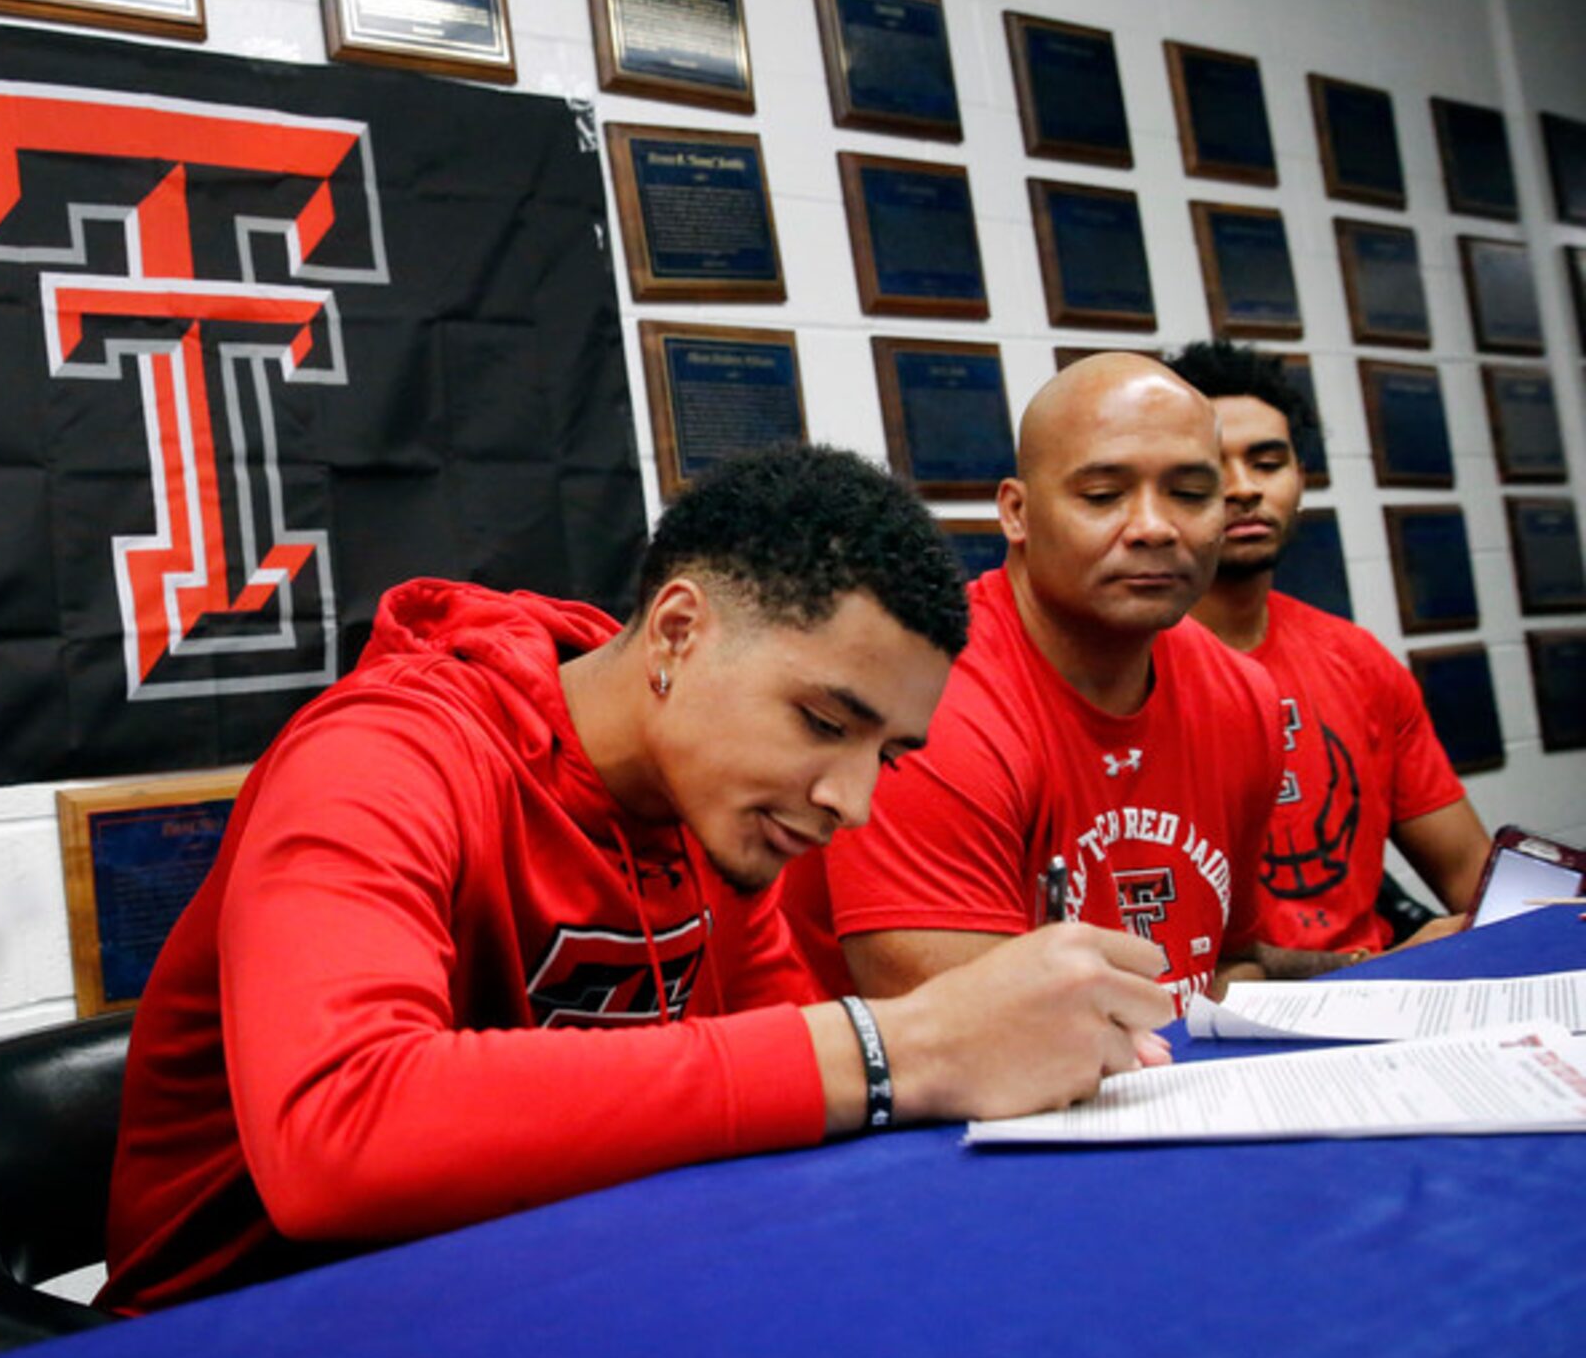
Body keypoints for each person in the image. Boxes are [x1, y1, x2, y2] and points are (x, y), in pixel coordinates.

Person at [100, 444, 1181, 1313]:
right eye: (822, 723)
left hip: (525, 1291)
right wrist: (903, 1044)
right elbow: (337, 1136)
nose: (852, 799)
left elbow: (797, 1105)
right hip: (242, 1343)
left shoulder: (719, 818)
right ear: (677, 632)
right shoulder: (383, 758)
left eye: (888, 754)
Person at [777, 353, 1284, 1009]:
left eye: (1190, 494)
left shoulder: (1243, 696)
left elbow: (1226, 964)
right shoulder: (928, 706)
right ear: (1016, 513)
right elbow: (968, 1036)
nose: (1155, 527)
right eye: (1103, 496)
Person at [1162, 340, 1488, 966]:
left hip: (1377, 1009)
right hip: (1207, 1018)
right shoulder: (1125, 671)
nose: (1243, 489)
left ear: (1300, 481)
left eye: (1267, 462)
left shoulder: (1358, 662)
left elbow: (1473, 875)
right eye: (1209, 468)